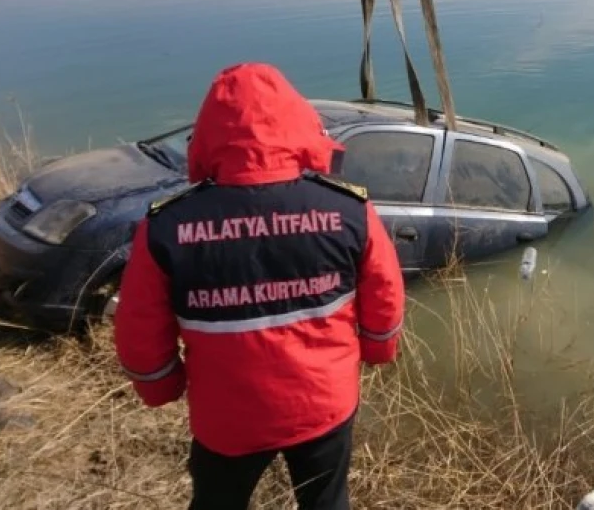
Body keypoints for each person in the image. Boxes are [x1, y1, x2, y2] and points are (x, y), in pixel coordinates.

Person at [113, 62, 405, 510]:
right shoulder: (348, 210)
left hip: (227, 418)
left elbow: (138, 330)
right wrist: (378, 349)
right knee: (326, 503)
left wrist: (161, 388)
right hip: (323, 403)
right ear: (298, 122)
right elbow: (385, 295)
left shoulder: (167, 225)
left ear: (208, 134)